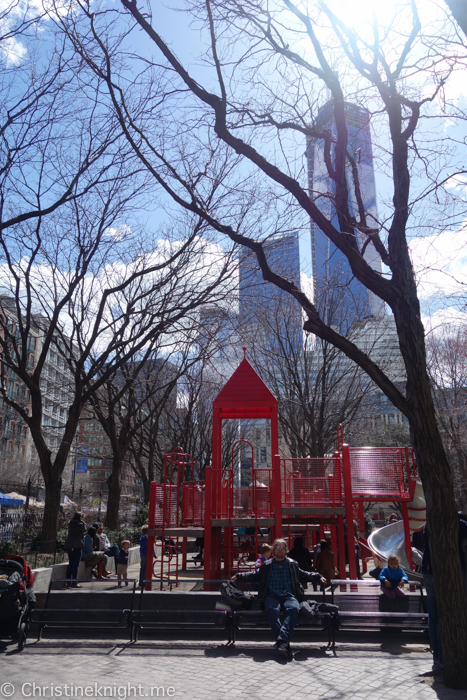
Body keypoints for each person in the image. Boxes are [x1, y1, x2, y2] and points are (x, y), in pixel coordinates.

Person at [232, 538, 325, 658]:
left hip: (289, 596)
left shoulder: (292, 564)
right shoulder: (267, 565)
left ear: (286, 550)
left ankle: (281, 642)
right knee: (271, 609)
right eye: (278, 547)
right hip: (272, 596)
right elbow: (254, 575)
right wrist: (238, 576)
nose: (280, 550)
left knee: (293, 609)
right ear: (273, 550)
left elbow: (304, 574)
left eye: (282, 548)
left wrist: (318, 576)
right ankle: (283, 643)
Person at [64, 512, 87, 588]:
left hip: (69, 544)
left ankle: (68, 582)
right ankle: (74, 582)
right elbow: (85, 529)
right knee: (76, 564)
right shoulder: (81, 524)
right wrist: (82, 520)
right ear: (80, 518)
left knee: (71, 563)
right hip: (77, 545)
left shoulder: (70, 523)